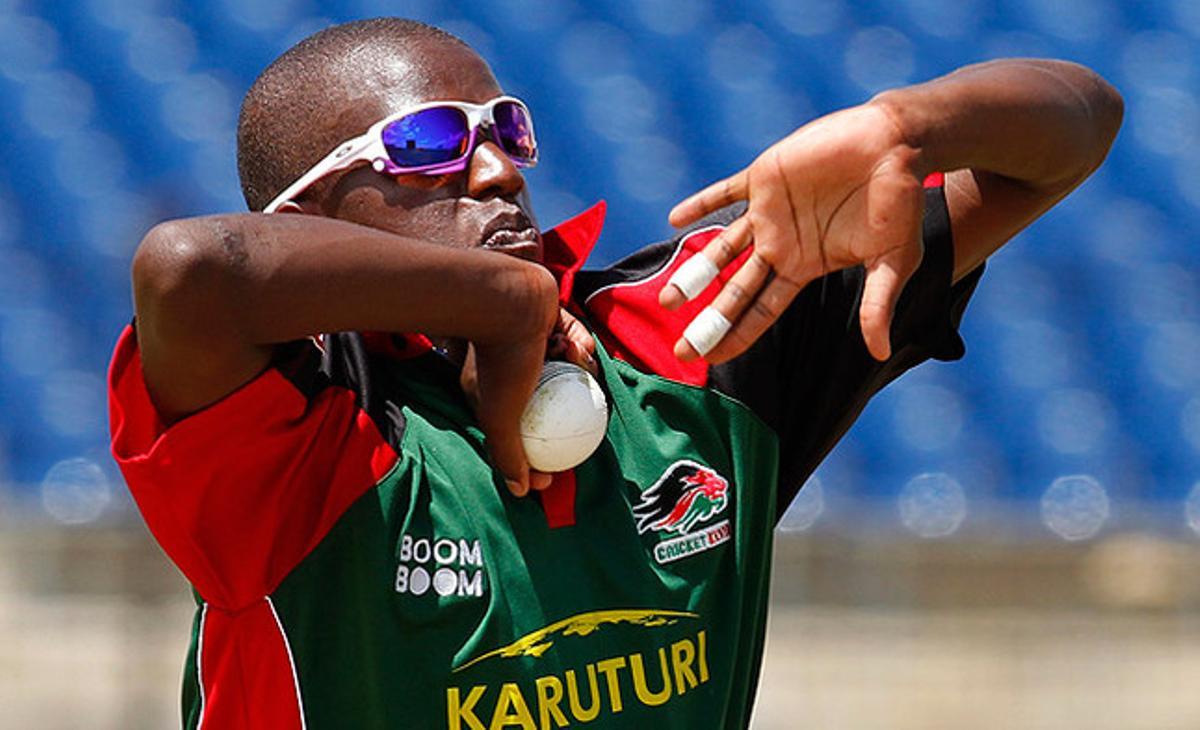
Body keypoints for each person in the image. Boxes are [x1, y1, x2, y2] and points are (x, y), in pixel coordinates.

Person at [106, 16, 1122, 730]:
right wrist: (508, 305)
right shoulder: (298, 436)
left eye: (504, 128)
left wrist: (911, 123)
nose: (500, 168)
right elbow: (194, 268)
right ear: (309, 217)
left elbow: (1079, 124)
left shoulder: (695, 335)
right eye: (427, 144)